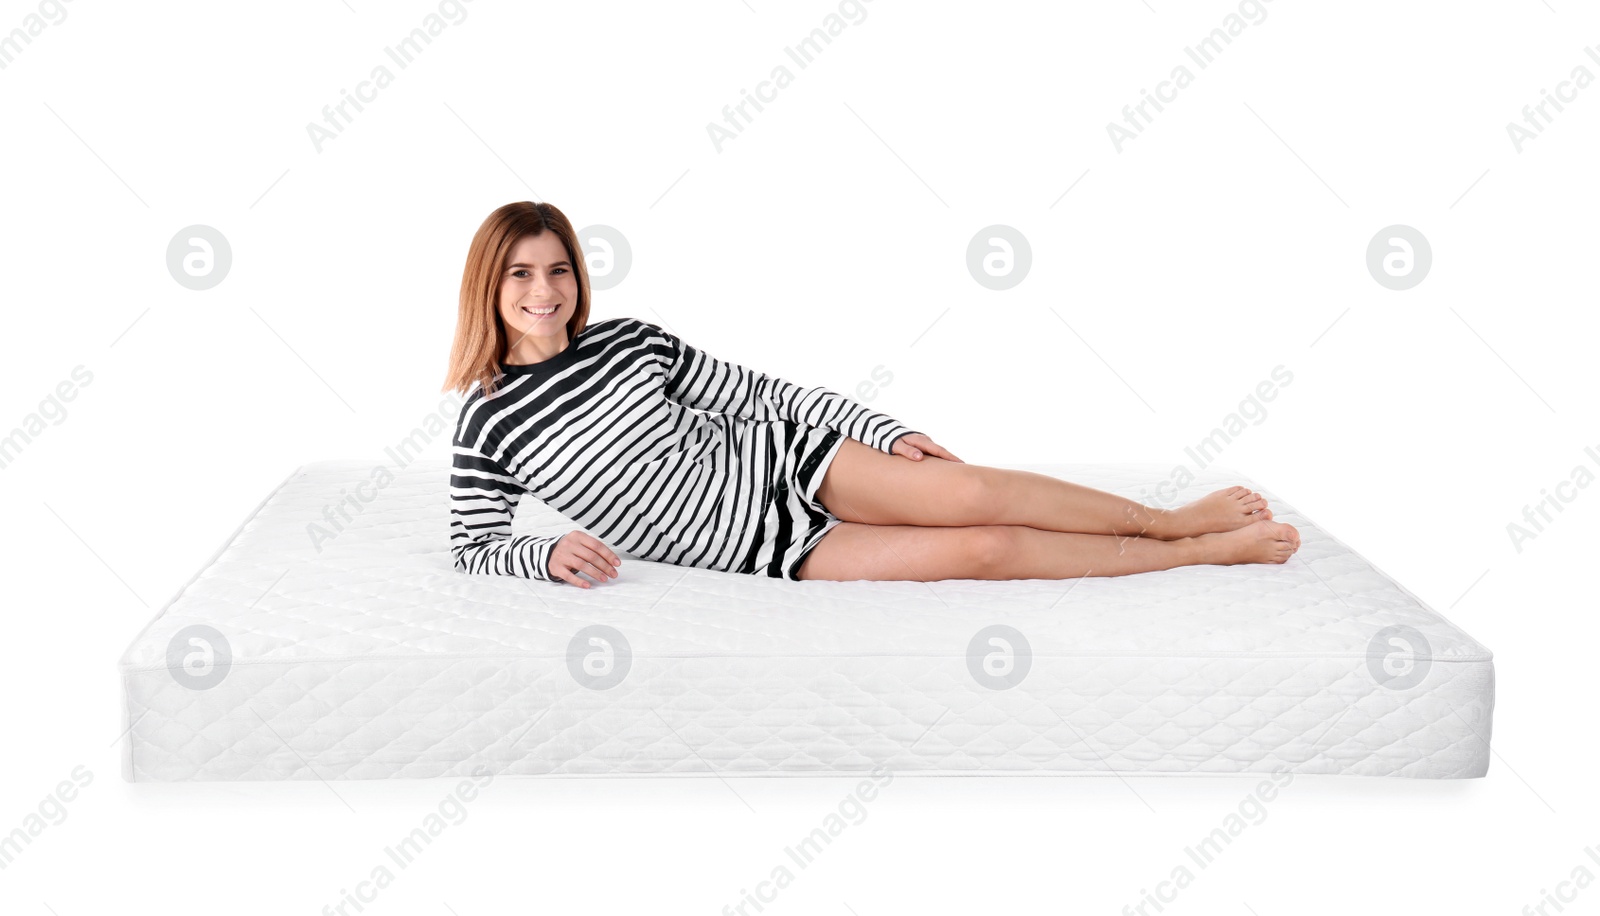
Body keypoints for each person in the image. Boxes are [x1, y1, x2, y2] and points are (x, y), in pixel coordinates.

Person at [443, 202, 1300, 588]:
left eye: (557, 269)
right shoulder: (487, 419)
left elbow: (755, 391)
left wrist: (883, 431)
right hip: (764, 545)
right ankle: (1198, 555)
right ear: (492, 285)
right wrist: (542, 555)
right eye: (521, 273)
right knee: (985, 548)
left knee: (968, 489)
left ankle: (1168, 520)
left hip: (788, 458)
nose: (544, 290)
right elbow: (471, 544)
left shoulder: (628, 339)